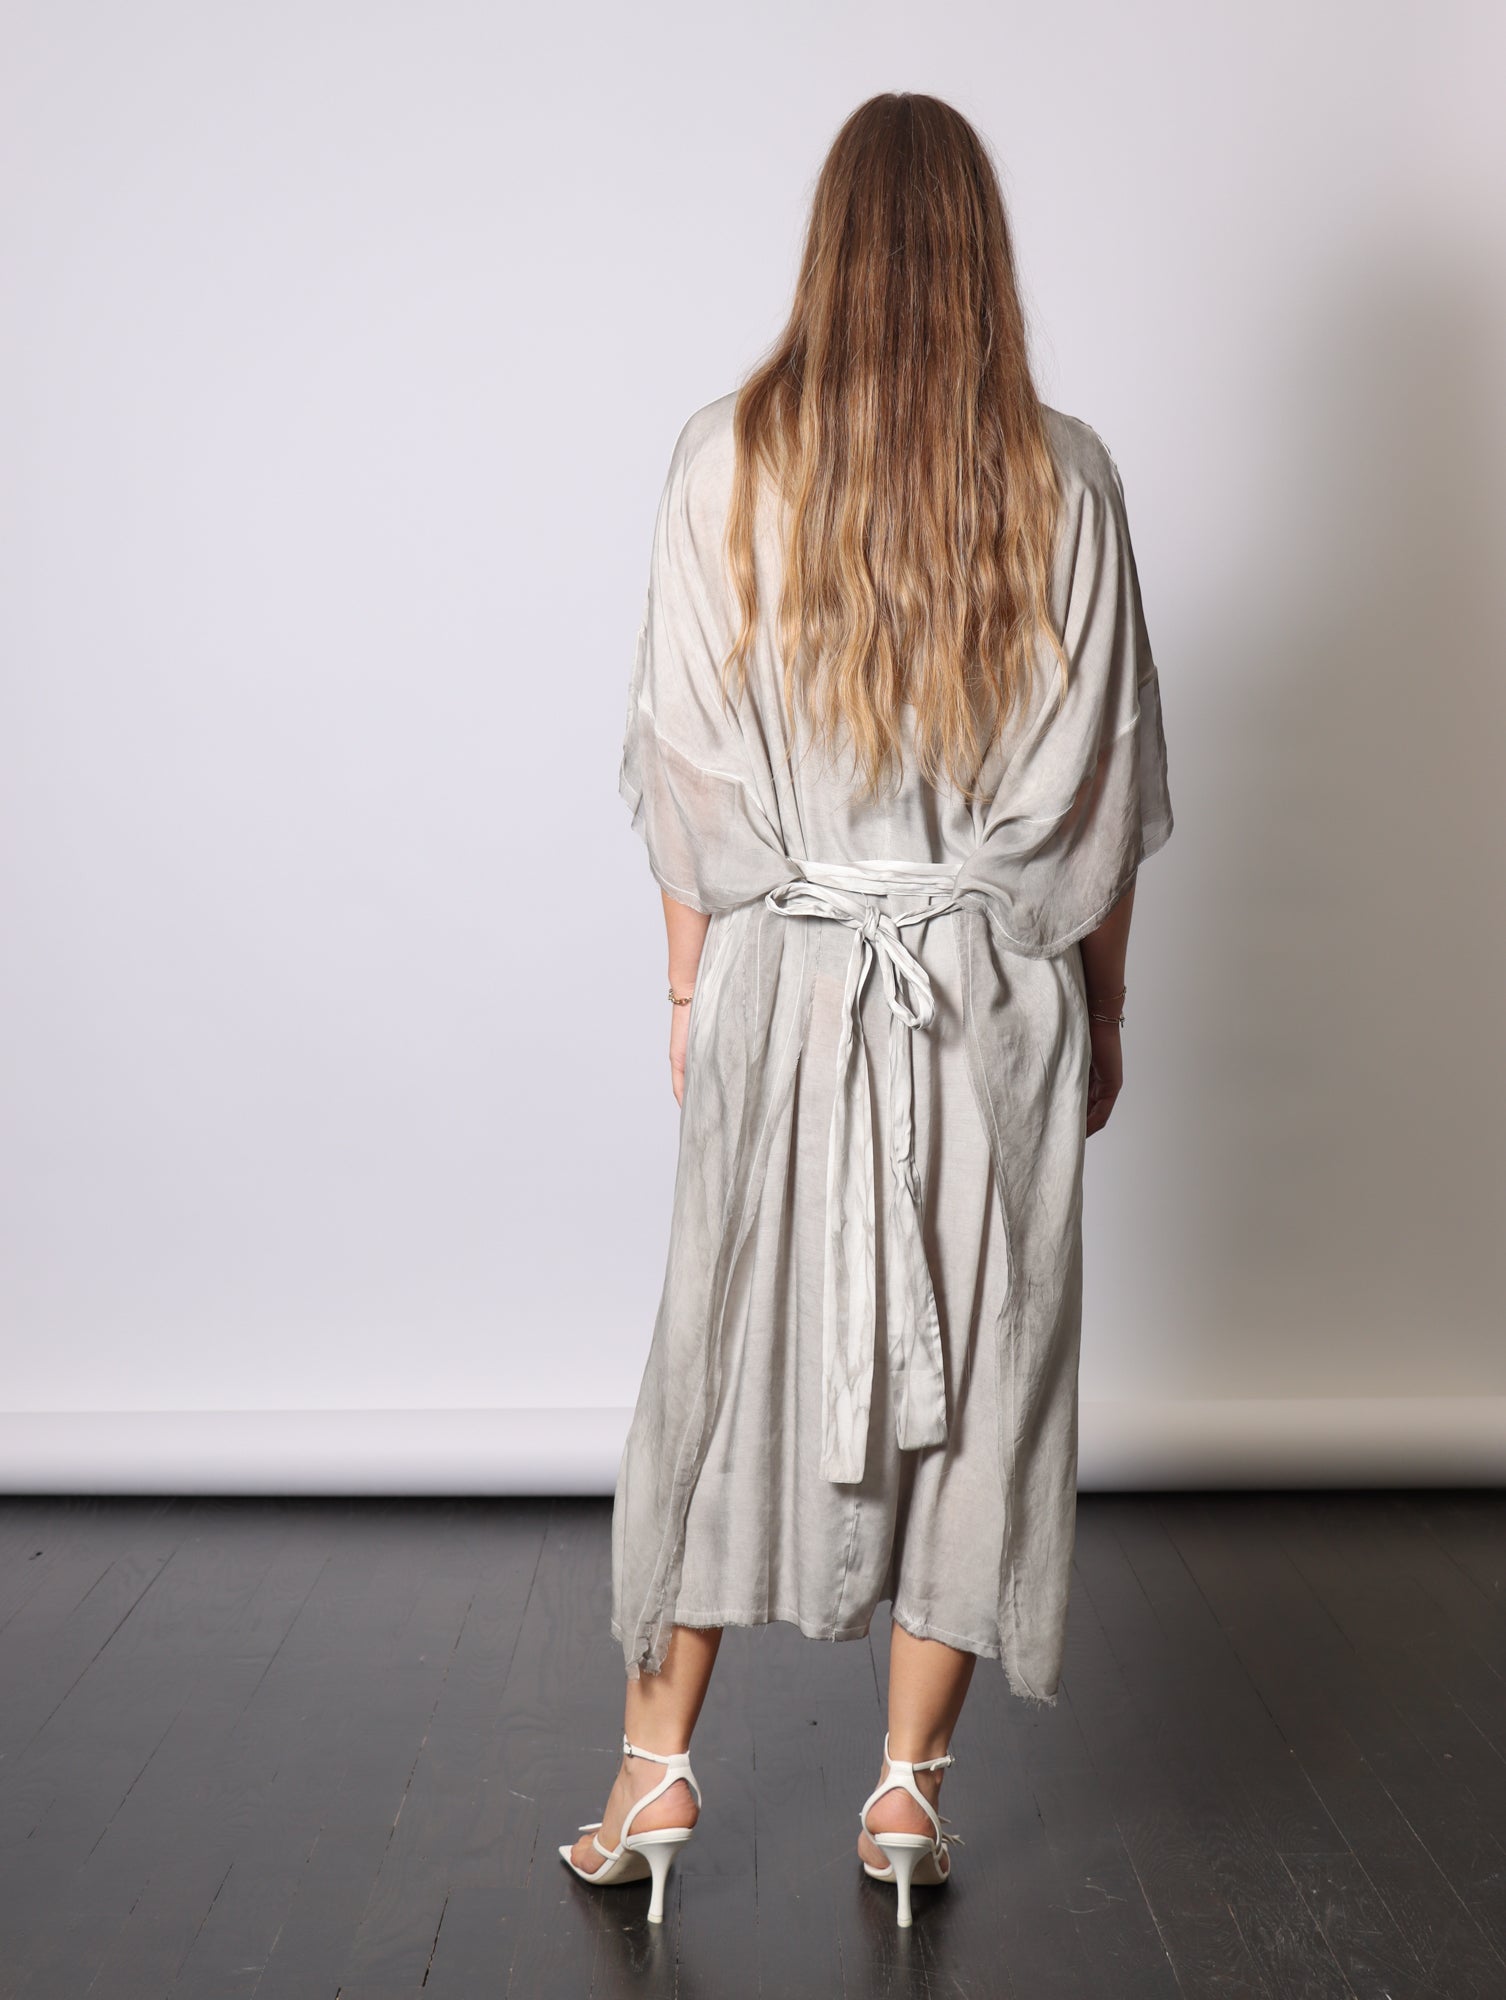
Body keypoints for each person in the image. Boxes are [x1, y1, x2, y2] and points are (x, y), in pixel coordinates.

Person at [560, 90, 1174, 1928]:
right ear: (985, 255)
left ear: (828, 244)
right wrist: (1101, 1011)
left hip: (784, 984)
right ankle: (905, 1798)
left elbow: (683, 767)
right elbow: (1096, 793)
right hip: (992, 997)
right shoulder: (1065, 475)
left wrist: (691, 985)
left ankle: (650, 1776)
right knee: (986, 1381)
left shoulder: (721, 459)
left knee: (718, 1359)